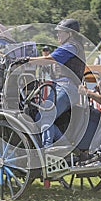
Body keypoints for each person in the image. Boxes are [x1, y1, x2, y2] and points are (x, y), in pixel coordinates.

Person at [26, 19, 85, 147]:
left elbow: (50, 59)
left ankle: (47, 148)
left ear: (69, 34)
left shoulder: (71, 46)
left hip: (66, 87)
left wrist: (27, 60)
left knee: (46, 116)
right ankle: (66, 147)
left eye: (60, 32)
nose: (57, 35)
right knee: (41, 117)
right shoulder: (73, 45)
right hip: (66, 87)